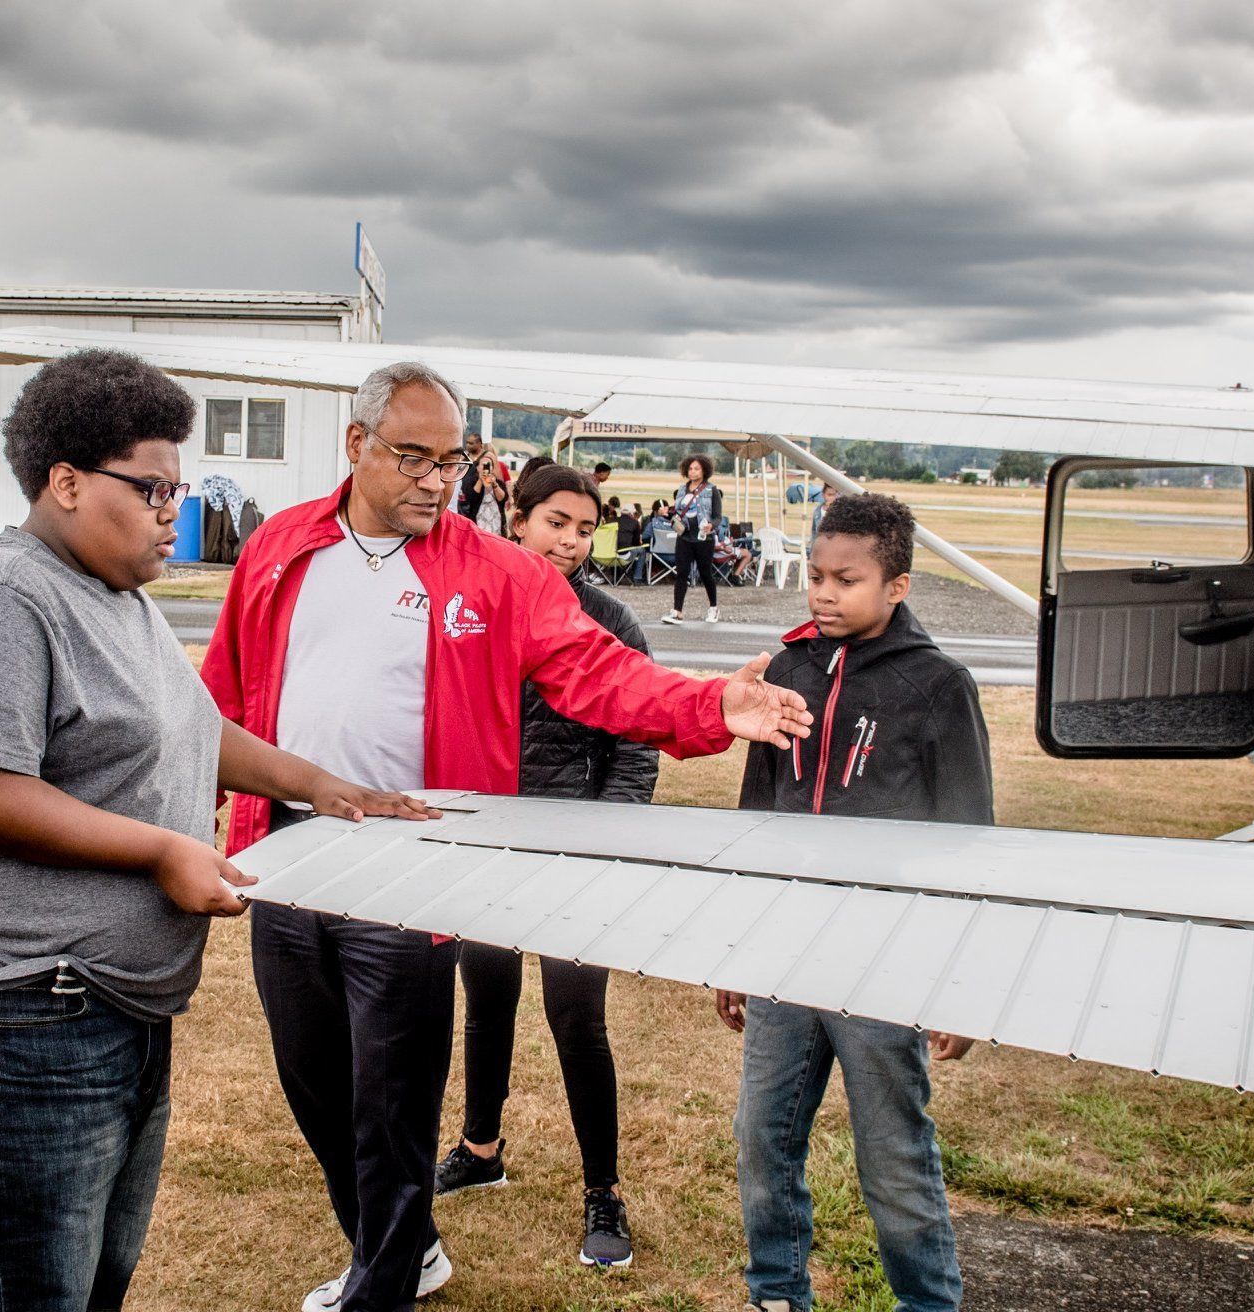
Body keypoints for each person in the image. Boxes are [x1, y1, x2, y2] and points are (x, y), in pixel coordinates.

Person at [202, 360, 812, 1312]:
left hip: (412, 876)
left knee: (390, 1111)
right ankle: (403, 1249)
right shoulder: (280, 547)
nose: (435, 480)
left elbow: (598, 674)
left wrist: (708, 705)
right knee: (318, 1090)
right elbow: (227, 691)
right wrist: (194, 800)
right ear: (355, 445)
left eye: (450, 461)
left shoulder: (497, 573)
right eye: (412, 457)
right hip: (286, 864)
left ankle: (385, 1286)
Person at [0, 349, 434, 1312]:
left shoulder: (116, 599)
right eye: (156, 488)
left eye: (182, 487)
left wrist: (324, 786)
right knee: (30, 1289)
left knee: (92, 1282)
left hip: (104, 1006)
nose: (180, 508)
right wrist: (165, 850)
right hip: (9, 1012)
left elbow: (194, 730)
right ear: (67, 482)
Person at [715, 492, 991, 1312]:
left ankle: (928, 1303)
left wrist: (959, 979)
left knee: (893, 1154)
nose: (823, 594)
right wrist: (736, 946)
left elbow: (968, 842)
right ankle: (776, 1291)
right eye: (816, 576)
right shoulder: (789, 669)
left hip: (885, 959)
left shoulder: (938, 684)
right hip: (783, 958)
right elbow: (757, 817)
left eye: (847, 579)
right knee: (763, 1141)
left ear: (897, 586)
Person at [432, 458, 656, 1270]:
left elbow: (636, 745)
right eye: (555, 521)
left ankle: (604, 1189)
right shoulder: (470, 607)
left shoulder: (611, 621)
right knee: (486, 998)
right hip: (489, 843)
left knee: (575, 1017)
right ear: (516, 518)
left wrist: (608, 837)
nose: (569, 540)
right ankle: (481, 1150)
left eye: (585, 528)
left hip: (576, 850)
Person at [660, 453, 722, 626]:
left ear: (704, 471)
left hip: (704, 538)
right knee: (681, 573)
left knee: (705, 573)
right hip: (685, 536)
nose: (693, 472)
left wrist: (711, 525)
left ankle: (713, 607)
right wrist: (667, 514)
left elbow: (718, 517)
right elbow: (678, 513)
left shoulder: (711, 490)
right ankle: (677, 611)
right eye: (690, 468)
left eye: (697, 469)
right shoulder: (681, 489)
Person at [456, 431, 509, 521]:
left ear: (479, 443)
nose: (468, 445)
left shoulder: (488, 456)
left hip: (483, 496)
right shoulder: (464, 457)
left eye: (471, 443)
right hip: (466, 498)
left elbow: (499, 478)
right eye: (467, 443)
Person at [472, 443, 508, 536]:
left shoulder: (497, 481)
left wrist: (495, 484)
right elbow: (472, 498)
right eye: (483, 465)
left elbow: (502, 498)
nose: (486, 467)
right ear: (477, 467)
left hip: (495, 522)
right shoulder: (473, 481)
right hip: (478, 522)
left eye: (489, 465)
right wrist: (480, 479)